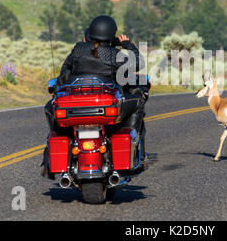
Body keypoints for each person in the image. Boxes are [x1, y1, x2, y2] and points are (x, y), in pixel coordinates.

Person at [41, 15, 148, 178]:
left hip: (75, 107)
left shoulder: (78, 49)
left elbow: (63, 76)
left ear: (90, 33)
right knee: (138, 101)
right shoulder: (114, 54)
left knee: (51, 107)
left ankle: (51, 153)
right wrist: (126, 44)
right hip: (104, 107)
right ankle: (132, 138)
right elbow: (139, 63)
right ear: (111, 35)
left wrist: (59, 85)